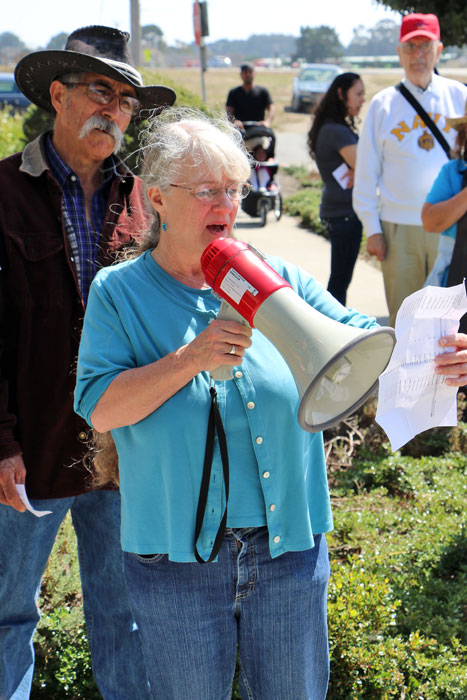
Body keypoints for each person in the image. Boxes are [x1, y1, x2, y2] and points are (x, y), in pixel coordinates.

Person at [73, 106, 467, 700]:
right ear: (156, 197)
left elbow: (360, 345)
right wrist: (192, 358)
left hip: (288, 554)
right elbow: (99, 406)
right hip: (174, 565)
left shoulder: (277, 273)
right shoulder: (118, 293)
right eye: (207, 191)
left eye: (234, 189)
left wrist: (434, 355)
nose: (226, 205)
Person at [0, 25, 175, 699]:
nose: (114, 108)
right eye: (99, 89)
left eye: (126, 98)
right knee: (9, 613)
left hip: (122, 448)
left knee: (125, 613)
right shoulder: (6, 191)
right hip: (31, 449)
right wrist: (2, 443)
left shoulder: (142, 198)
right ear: (57, 96)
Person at [353, 12, 467, 327]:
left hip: (453, 225)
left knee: (451, 320)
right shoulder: (383, 105)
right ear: (400, 53)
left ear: (439, 51)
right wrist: (373, 229)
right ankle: (402, 379)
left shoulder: (459, 96)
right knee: (405, 320)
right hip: (398, 230)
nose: (418, 55)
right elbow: (366, 174)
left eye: (425, 47)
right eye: (410, 47)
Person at [308, 72, 365, 306]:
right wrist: (362, 168)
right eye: (358, 94)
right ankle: (333, 327)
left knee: (340, 278)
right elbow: (367, 167)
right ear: (341, 94)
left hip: (341, 212)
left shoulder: (333, 127)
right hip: (344, 213)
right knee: (340, 281)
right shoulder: (337, 131)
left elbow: (361, 167)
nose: (362, 100)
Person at [226, 62, 276, 157]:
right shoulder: (234, 93)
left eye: (250, 72)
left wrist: (267, 121)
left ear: (254, 73)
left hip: (258, 130)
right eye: (245, 72)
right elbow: (229, 111)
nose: (248, 74)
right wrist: (234, 121)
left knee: (270, 139)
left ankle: (269, 162)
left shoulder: (262, 92)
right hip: (240, 131)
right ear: (241, 74)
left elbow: (271, 107)